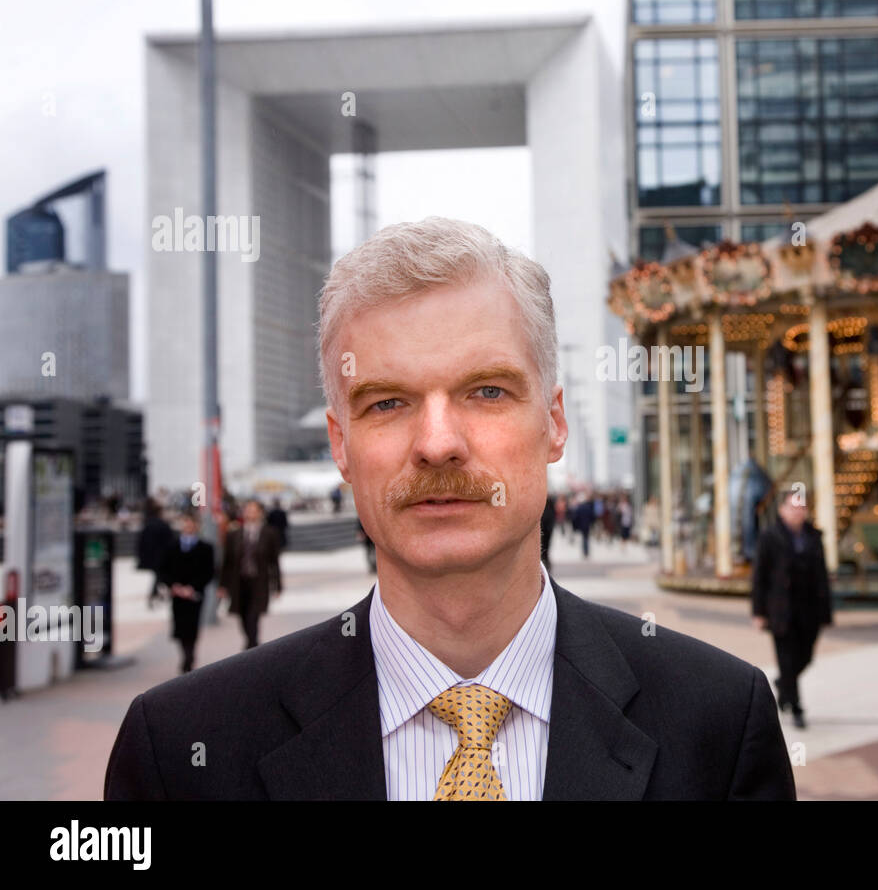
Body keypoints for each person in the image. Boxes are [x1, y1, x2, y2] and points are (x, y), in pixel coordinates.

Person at [105, 215, 793, 800]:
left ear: (554, 424)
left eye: (487, 391)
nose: (438, 444)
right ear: (340, 445)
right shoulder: (181, 752)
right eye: (388, 402)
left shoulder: (720, 726)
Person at [750, 490, 833, 729]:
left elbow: (822, 576)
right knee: (786, 659)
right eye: (793, 507)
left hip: (809, 609)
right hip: (781, 610)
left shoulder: (813, 536)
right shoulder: (770, 536)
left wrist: (826, 611)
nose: (798, 512)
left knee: (805, 657)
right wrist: (758, 611)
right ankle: (796, 706)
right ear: (782, 510)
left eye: (801, 508)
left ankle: (783, 684)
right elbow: (759, 577)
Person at [218, 499, 282, 649]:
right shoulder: (234, 534)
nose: (250, 513)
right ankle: (252, 644)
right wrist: (222, 585)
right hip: (239, 582)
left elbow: (274, 562)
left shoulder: (269, 533)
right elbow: (227, 562)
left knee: (253, 616)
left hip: (258, 583)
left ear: (260, 513)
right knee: (242, 616)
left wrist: (277, 586)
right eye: (248, 510)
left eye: (254, 510)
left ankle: (252, 646)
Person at [157, 511, 215, 674]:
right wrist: (173, 586)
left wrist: (192, 588)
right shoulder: (171, 547)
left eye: (191, 523)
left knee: (193, 626)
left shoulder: (205, 548)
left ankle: (189, 658)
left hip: (195, 595)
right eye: (186, 523)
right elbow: (162, 570)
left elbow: (209, 572)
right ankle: (186, 656)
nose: (188, 526)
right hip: (177, 595)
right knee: (180, 626)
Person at [135, 497, 175, 610]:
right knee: (161, 577)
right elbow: (170, 542)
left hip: (152, 558)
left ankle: (158, 595)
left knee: (159, 577)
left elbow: (141, 542)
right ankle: (156, 595)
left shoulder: (147, 524)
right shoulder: (163, 525)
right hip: (162, 558)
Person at [540, 493, 556, 572]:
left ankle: (545, 560)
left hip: (546, 527)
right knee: (545, 545)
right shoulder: (549, 502)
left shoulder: (548, 502)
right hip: (545, 527)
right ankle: (545, 560)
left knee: (545, 545)